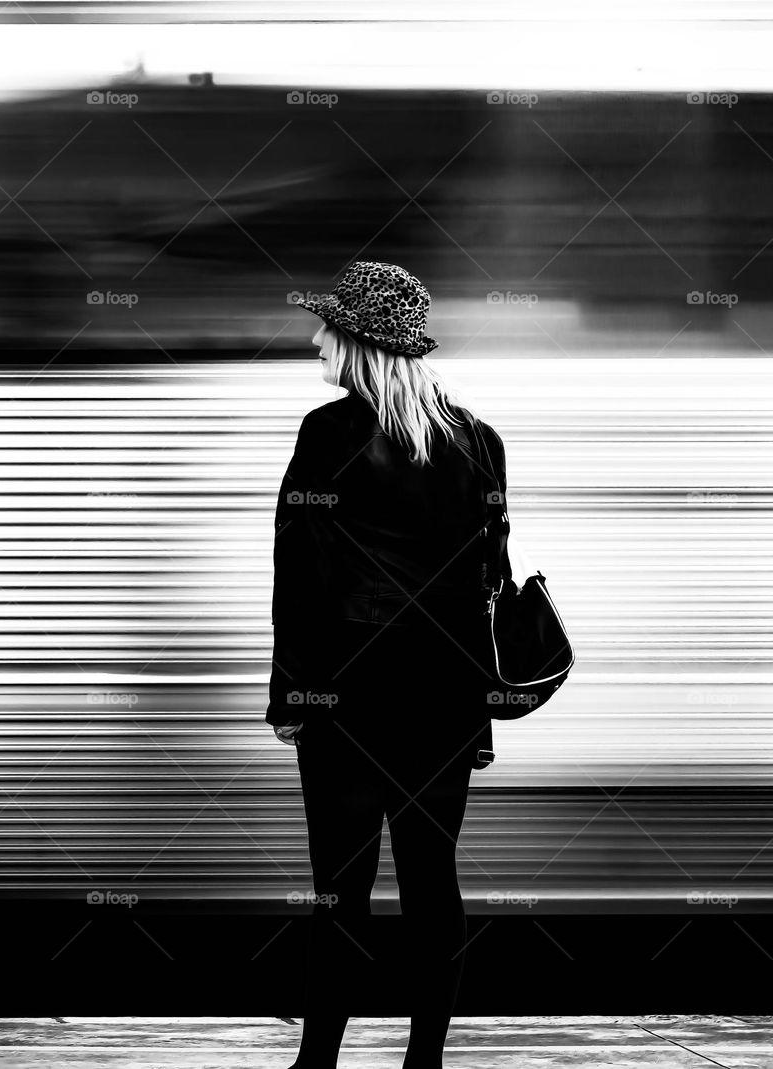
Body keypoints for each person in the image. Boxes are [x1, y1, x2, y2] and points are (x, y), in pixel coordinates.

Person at [266, 262, 515, 1069]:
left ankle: (318, 1063)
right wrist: (476, 708)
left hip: (346, 696)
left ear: (357, 342)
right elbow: (490, 579)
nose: (314, 340)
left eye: (325, 328)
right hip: (442, 696)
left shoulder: (326, 433)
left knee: (341, 891)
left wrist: (291, 694)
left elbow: (297, 574)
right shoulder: (478, 439)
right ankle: (425, 1062)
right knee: (432, 884)